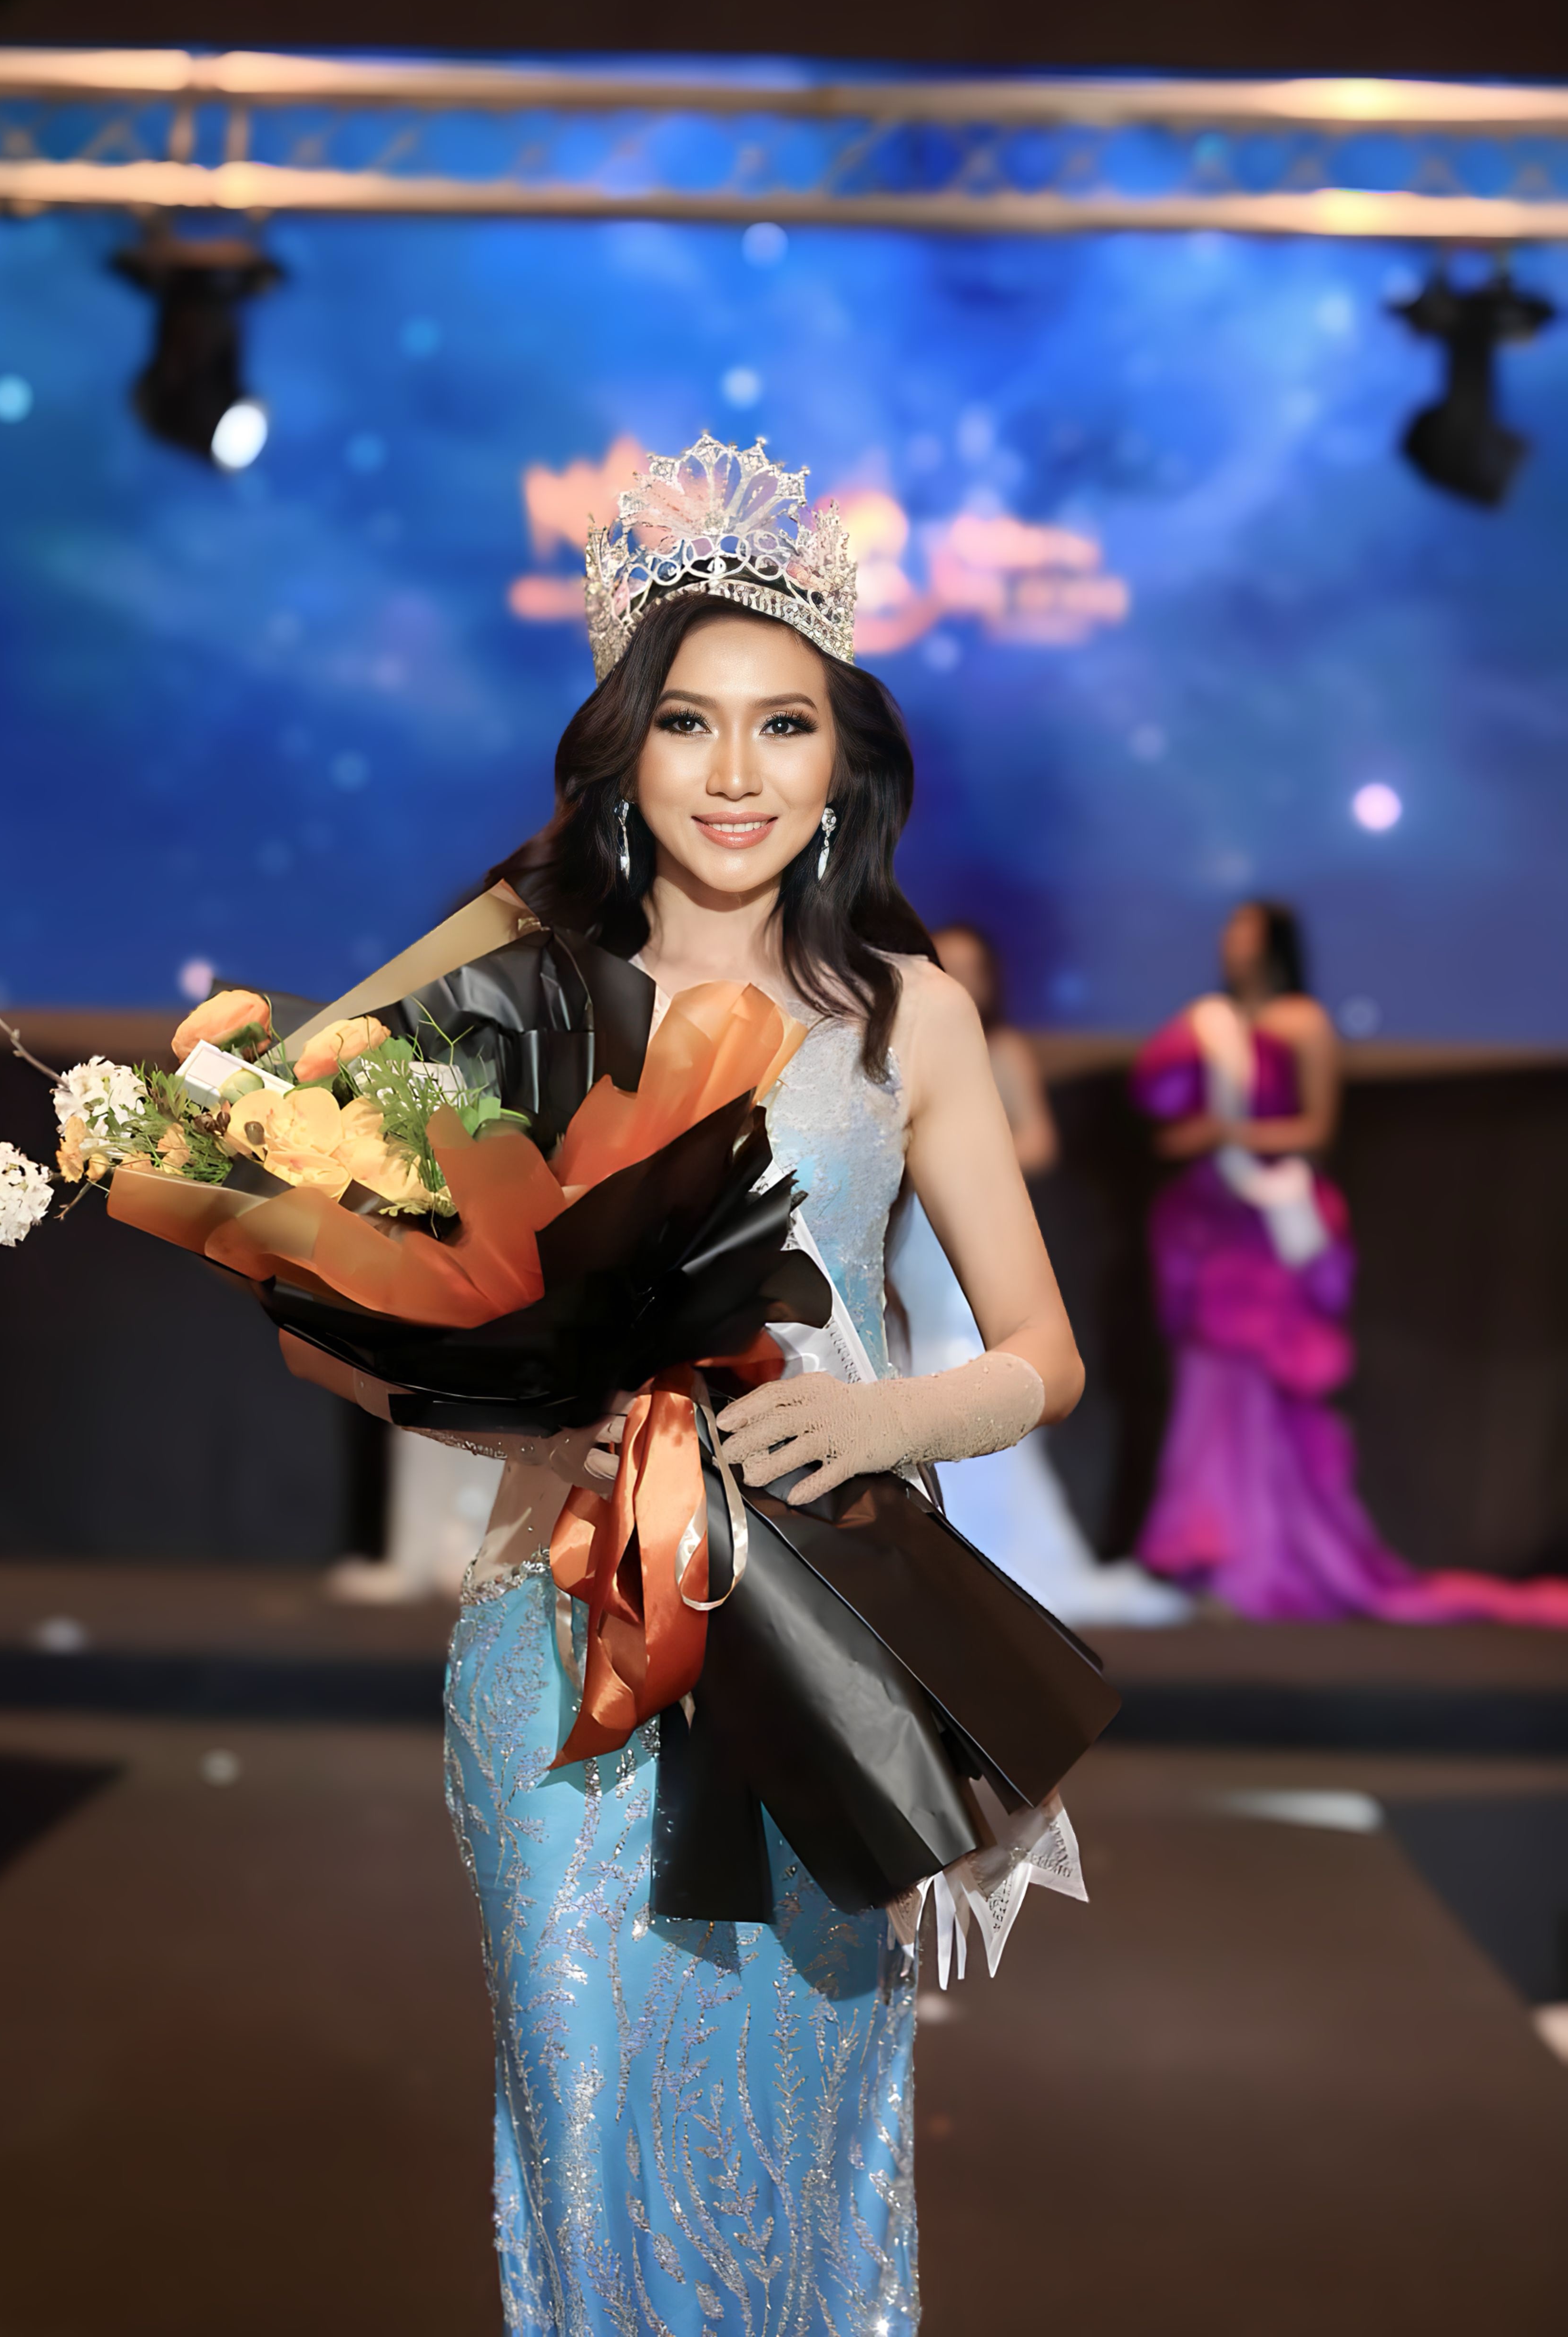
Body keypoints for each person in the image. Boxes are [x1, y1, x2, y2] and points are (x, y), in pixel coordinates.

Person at [439, 438, 1084, 2333]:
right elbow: (417, 1327)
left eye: (783, 725)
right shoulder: (518, 994)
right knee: (580, 2122)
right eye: (690, 723)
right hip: (556, 1643)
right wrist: (520, 1387)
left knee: (800, 2141)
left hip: (818, 1646)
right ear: (626, 755)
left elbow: (1041, 1354)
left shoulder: (908, 1013)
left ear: (840, 764)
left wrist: (884, 1417)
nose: (736, 772)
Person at [1131, 899, 1568, 1625]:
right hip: (1211, 1224)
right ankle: (1207, 1552)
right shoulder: (1211, 1023)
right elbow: (1167, 1114)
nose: (1234, 942)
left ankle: (1265, 1556)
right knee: (1209, 1386)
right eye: (1230, 930)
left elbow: (1315, 1128)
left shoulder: (1302, 1022)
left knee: (1268, 1390)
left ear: (1274, 941)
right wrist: (1199, 1136)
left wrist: (1228, 1131)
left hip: (1271, 1224)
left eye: (1247, 931)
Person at [888, 923, 1190, 1625]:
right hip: (914, 1225)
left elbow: (1040, 1142)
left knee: (975, 1351)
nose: (962, 977)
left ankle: (992, 1540)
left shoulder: (1003, 1050)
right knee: (914, 1348)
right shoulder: (911, 1034)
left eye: (975, 966)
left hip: (970, 1211)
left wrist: (962, 1156)